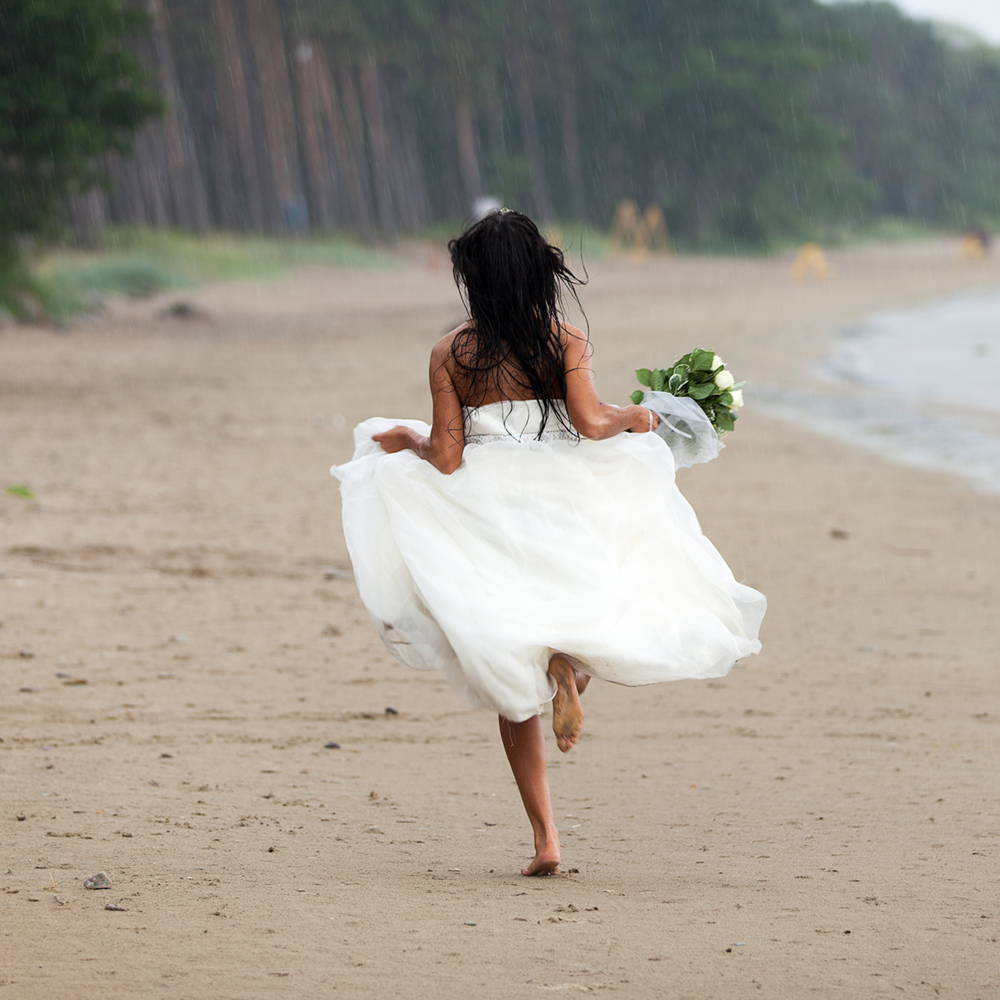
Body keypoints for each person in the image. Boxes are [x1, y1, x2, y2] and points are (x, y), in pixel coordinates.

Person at [332, 210, 765, 876]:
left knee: (508, 655)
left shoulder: (452, 352)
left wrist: (408, 439)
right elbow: (591, 424)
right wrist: (642, 415)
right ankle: (573, 671)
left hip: (485, 499)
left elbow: (447, 458)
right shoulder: (563, 339)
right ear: (540, 273)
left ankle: (546, 840)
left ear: (473, 280)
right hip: (564, 489)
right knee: (606, 589)